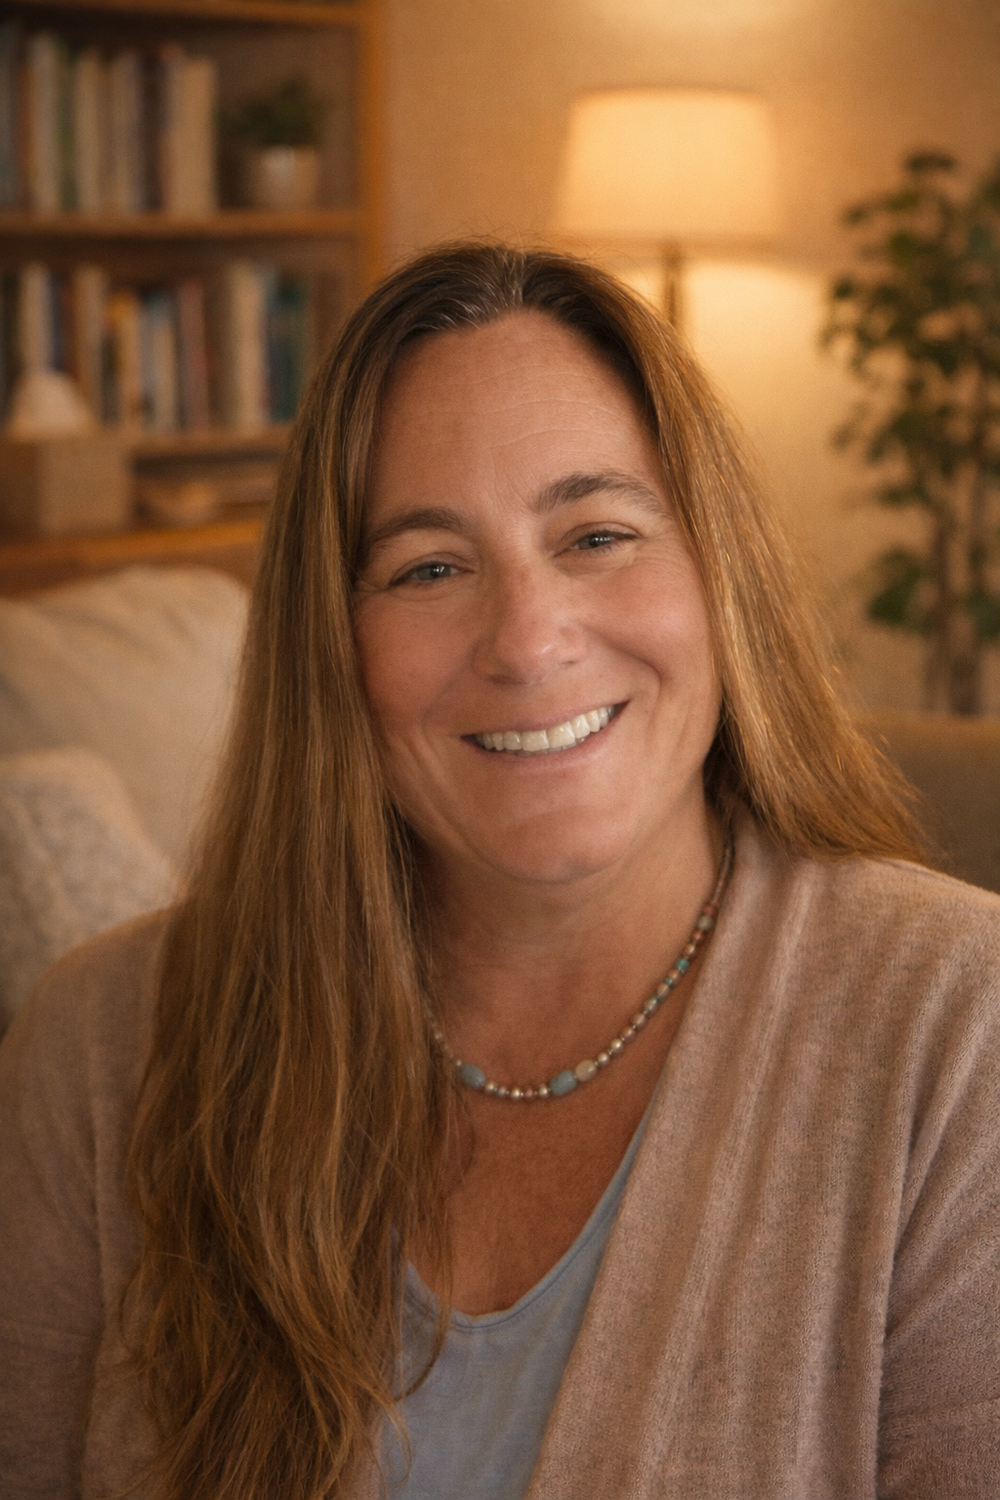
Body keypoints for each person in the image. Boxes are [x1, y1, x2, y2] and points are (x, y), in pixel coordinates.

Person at [1, 242, 998, 1500]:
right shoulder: (100, 1052)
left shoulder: (959, 1027)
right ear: (333, 649)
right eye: (428, 566)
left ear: (718, 577)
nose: (528, 641)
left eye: (595, 534)